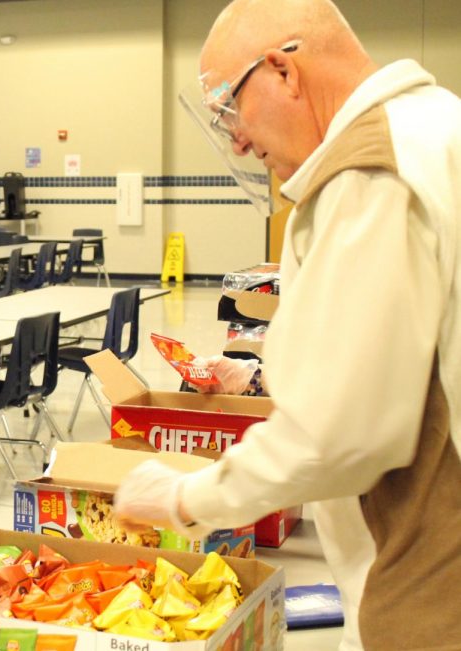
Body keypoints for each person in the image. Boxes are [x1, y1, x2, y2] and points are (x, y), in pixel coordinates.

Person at [114, 1, 461, 649]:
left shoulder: (367, 173)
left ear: (282, 71)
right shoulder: (436, 124)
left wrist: (188, 496)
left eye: (229, 109)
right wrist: (266, 371)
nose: (238, 140)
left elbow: (341, 435)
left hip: (431, 576)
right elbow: (412, 345)